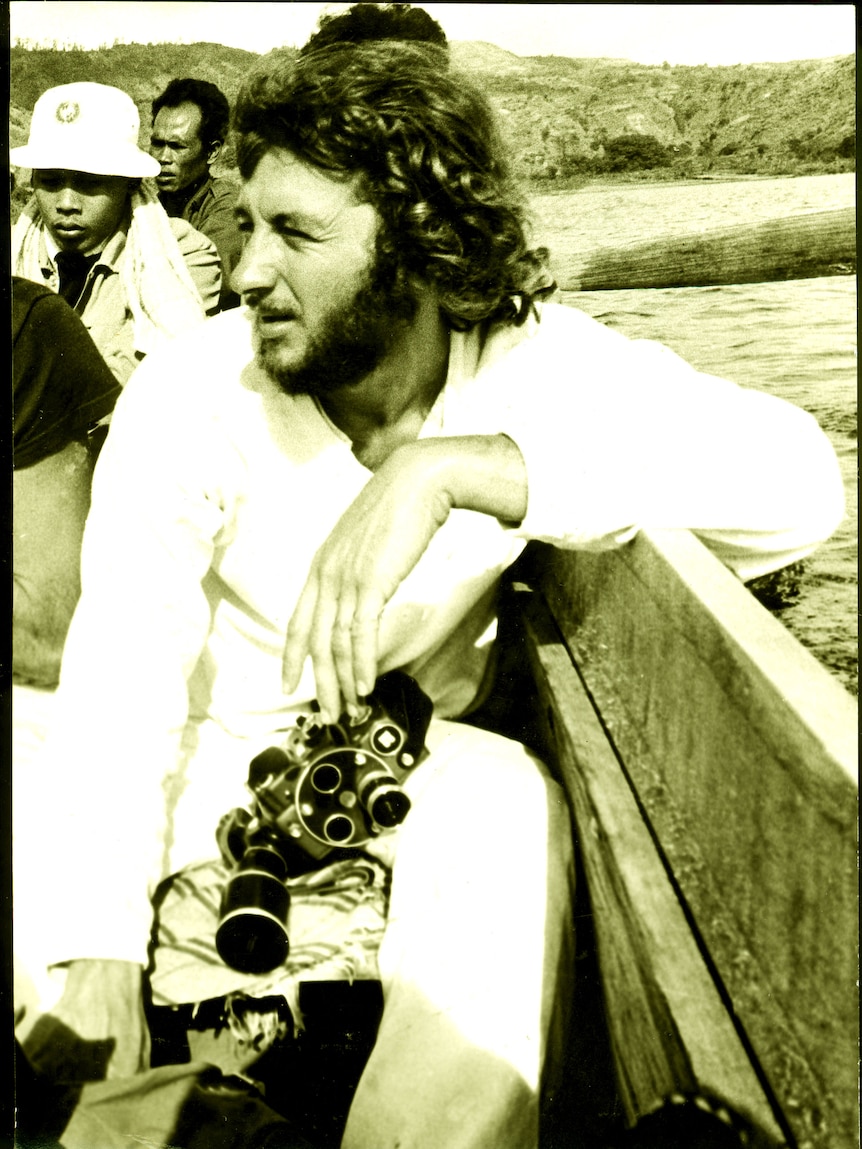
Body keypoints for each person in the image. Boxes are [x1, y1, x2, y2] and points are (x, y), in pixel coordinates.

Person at [16, 39, 843, 1149]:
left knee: (511, 804)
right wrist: (103, 948)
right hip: (190, 750)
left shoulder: (529, 365)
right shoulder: (192, 394)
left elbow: (797, 484)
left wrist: (457, 470)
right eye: (250, 223)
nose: (249, 268)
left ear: (415, 246)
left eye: (296, 234)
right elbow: (123, 676)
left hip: (390, 762)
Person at [10, 82, 221, 386]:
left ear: (130, 183)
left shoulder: (179, 258)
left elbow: (126, 380)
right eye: (51, 181)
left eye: (89, 183)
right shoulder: (19, 250)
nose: (66, 204)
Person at [150, 77, 242, 311]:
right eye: (157, 144)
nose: (163, 158)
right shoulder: (150, 206)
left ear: (211, 152)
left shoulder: (227, 205)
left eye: (177, 147)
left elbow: (201, 280)